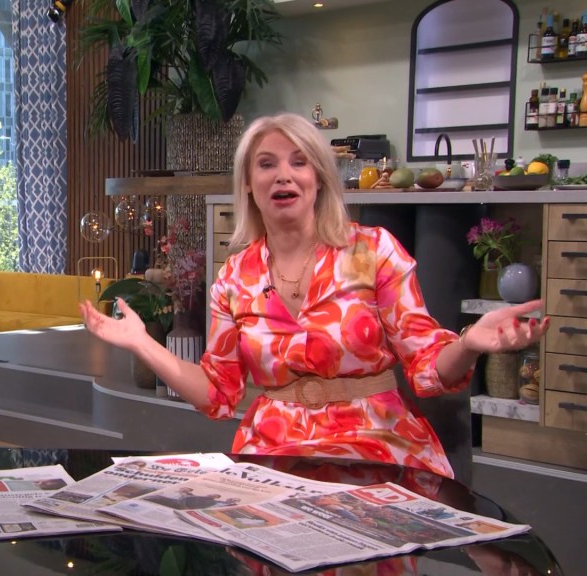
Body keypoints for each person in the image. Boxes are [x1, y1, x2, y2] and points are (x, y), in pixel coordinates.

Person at [80, 113, 548, 480]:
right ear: (248, 184)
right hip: (273, 449)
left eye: (299, 162)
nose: (283, 175)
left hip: (375, 443)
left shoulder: (373, 251)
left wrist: (467, 344)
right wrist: (142, 342)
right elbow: (219, 393)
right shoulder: (235, 278)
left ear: (319, 177)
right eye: (267, 164)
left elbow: (427, 366)